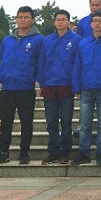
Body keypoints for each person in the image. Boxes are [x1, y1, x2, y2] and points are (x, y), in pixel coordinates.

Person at [0, 6, 43, 165]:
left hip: (26, 87)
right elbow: (2, 57)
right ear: (16, 19)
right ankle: (3, 152)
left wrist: (39, 81)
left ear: (33, 20)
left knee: (26, 122)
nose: (23, 20)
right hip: (7, 88)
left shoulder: (38, 40)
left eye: (26, 17)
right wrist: (2, 74)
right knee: (5, 122)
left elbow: (41, 62)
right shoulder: (7, 40)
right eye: (20, 17)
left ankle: (24, 153)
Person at [71, 10, 101, 166]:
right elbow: (77, 65)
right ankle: (83, 152)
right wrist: (76, 88)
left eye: (100, 20)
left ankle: (100, 153)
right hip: (86, 88)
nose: (97, 23)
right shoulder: (83, 43)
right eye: (95, 21)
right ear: (90, 24)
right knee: (85, 124)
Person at [37, 9, 82, 164]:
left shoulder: (76, 40)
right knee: (51, 122)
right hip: (49, 85)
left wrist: (76, 86)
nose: (61, 22)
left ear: (69, 22)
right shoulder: (47, 40)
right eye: (58, 19)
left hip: (66, 86)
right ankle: (53, 151)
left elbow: (77, 64)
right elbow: (41, 62)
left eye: (64, 19)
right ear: (54, 22)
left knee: (66, 122)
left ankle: (65, 151)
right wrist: (41, 82)